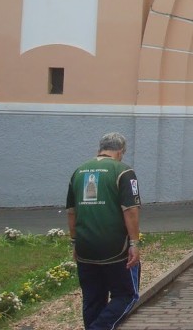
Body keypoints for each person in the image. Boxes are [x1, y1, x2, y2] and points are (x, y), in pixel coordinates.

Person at [66, 132, 141, 330]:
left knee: (93, 299)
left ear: (99, 148)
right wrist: (134, 243)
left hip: (85, 247)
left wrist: (74, 242)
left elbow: (71, 212)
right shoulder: (123, 172)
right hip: (115, 248)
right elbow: (130, 210)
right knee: (126, 295)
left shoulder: (78, 172)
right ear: (121, 151)